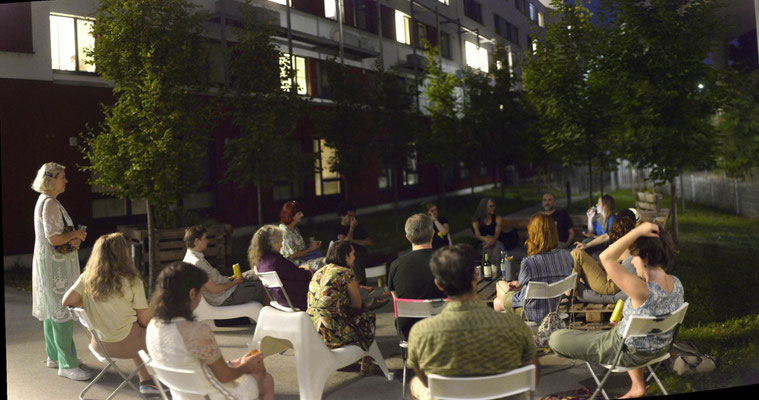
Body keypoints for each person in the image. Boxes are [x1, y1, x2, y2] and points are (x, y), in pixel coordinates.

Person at [549, 222, 684, 398]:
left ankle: (636, 386)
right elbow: (652, 312)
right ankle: (638, 387)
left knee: (556, 338)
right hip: (660, 347)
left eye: (634, 256)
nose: (632, 261)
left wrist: (637, 232)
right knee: (617, 335)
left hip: (626, 350)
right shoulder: (676, 283)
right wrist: (627, 322)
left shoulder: (641, 289)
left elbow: (606, 257)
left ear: (645, 258)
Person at [407, 244, 538, 400]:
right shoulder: (515, 325)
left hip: (449, 395)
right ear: (476, 275)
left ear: (439, 284)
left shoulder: (420, 332)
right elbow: (533, 374)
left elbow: (424, 379)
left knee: (415, 384)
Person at [146, 262, 275, 400]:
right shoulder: (195, 331)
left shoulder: (153, 326)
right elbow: (225, 376)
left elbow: (189, 362)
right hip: (213, 396)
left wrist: (236, 363)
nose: (201, 297)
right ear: (192, 293)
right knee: (265, 378)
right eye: (201, 291)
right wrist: (246, 366)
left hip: (183, 395)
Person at [62, 233, 163, 395]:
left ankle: (146, 381)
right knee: (160, 332)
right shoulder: (132, 280)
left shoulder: (86, 278)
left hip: (100, 346)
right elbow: (144, 319)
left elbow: (66, 301)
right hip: (128, 345)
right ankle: (169, 380)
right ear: (123, 253)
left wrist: (88, 302)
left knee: (130, 326)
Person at [30, 162, 92, 381]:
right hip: (55, 266)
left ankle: (54, 356)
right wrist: (76, 235)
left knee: (52, 308)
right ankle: (67, 364)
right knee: (62, 310)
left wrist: (71, 239)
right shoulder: (50, 204)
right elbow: (54, 238)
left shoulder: (47, 201)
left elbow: (54, 236)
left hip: (51, 262)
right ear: (51, 179)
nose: (66, 181)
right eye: (62, 177)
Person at [306, 240, 379, 375]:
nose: (355, 257)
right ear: (345, 256)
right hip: (333, 332)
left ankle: (358, 359)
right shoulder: (345, 272)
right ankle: (366, 360)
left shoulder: (319, 271)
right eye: (353, 254)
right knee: (368, 317)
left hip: (314, 331)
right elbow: (357, 305)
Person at [494, 213, 573, 322]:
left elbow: (522, 286)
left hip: (531, 311)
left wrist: (519, 284)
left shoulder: (529, 262)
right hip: (555, 306)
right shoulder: (566, 255)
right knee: (500, 293)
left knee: (498, 294)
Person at [388, 214, 445, 340]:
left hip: (411, 333)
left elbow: (397, 301)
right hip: (444, 327)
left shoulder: (396, 265)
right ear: (433, 233)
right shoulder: (446, 260)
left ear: (408, 237)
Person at [183, 225, 268, 307]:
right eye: (205, 238)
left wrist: (230, 279)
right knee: (263, 286)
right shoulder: (197, 263)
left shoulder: (189, 258)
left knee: (255, 274)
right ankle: (269, 317)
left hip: (225, 290)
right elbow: (214, 289)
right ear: (196, 241)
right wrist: (233, 283)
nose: (207, 241)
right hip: (225, 297)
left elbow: (213, 281)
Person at [572, 211, 638, 304]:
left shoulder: (621, 249)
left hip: (609, 287)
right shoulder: (630, 246)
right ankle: (570, 288)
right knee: (578, 268)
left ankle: (568, 291)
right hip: (613, 284)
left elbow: (601, 264)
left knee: (577, 253)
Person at [248, 225, 312, 310]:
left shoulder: (261, 262)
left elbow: (291, 273)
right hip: (298, 300)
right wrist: (308, 270)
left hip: (281, 300)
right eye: (281, 240)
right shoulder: (277, 261)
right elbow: (303, 275)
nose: (282, 243)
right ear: (274, 243)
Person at [335, 202, 395, 287]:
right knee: (355, 256)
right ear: (342, 216)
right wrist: (351, 228)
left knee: (390, 251)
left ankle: (389, 283)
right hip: (352, 259)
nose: (352, 219)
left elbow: (369, 242)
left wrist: (353, 240)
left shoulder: (358, 227)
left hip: (365, 256)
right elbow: (346, 243)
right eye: (349, 216)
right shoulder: (338, 229)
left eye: (353, 216)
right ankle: (362, 286)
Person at [471, 198, 518, 279]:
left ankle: (488, 272)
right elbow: (478, 235)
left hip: (499, 240)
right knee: (488, 244)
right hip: (484, 242)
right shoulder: (476, 221)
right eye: (491, 206)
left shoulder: (497, 218)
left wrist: (491, 241)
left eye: (494, 206)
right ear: (484, 207)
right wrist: (487, 239)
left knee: (496, 246)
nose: (493, 208)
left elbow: (497, 235)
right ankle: (494, 272)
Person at [278, 200, 325, 271]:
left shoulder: (295, 229)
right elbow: (292, 255)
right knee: (322, 263)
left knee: (325, 259)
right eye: (299, 213)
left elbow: (300, 249)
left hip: (303, 259)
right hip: (295, 265)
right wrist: (310, 249)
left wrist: (312, 246)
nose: (302, 215)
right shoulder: (285, 232)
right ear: (291, 215)